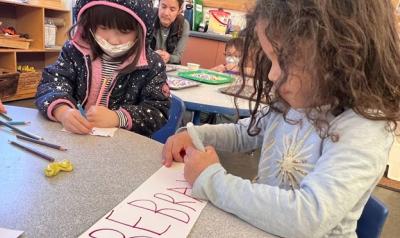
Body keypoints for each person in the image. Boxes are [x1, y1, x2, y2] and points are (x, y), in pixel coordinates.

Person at [162, 0, 400, 237]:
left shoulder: (363, 129)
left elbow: (308, 217)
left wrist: (211, 180)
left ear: (339, 56)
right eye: (270, 59)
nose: (271, 74)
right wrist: (195, 134)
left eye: (283, 60)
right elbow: (245, 132)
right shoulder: (291, 103)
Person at [36, 0, 170, 137]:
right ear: (89, 23)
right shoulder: (74, 51)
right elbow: (52, 82)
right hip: (77, 140)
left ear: (140, 31)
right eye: (103, 27)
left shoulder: (152, 64)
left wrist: (117, 118)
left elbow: (158, 110)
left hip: (124, 146)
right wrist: (62, 111)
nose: (112, 40)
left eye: (124, 31)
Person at [151, 0, 190, 64]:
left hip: (170, 67)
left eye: (172, 10)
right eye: (163, 7)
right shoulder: (149, 18)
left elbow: (178, 57)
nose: (166, 13)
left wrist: (169, 57)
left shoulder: (183, 25)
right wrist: (152, 55)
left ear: (179, 11)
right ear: (158, 5)